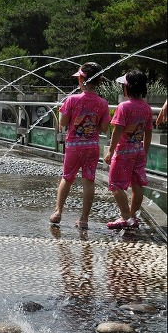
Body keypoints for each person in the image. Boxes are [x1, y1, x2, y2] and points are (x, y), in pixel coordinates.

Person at [49, 62, 110, 230]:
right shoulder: (103, 103)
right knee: (89, 180)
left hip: (74, 146)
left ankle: (58, 212)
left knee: (67, 177)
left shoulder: (72, 99)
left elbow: (62, 122)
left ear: (82, 79)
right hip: (92, 147)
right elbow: (104, 128)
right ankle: (84, 219)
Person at [104, 69, 153, 230]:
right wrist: (144, 152)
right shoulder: (146, 108)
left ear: (127, 88)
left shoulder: (124, 106)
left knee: (115, 184)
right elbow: (148, 132)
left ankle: (125, 217)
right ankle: (133, 216)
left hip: (123, 152)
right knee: (137, 184)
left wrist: (110, 151)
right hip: (138, 151)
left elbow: (118, 130)